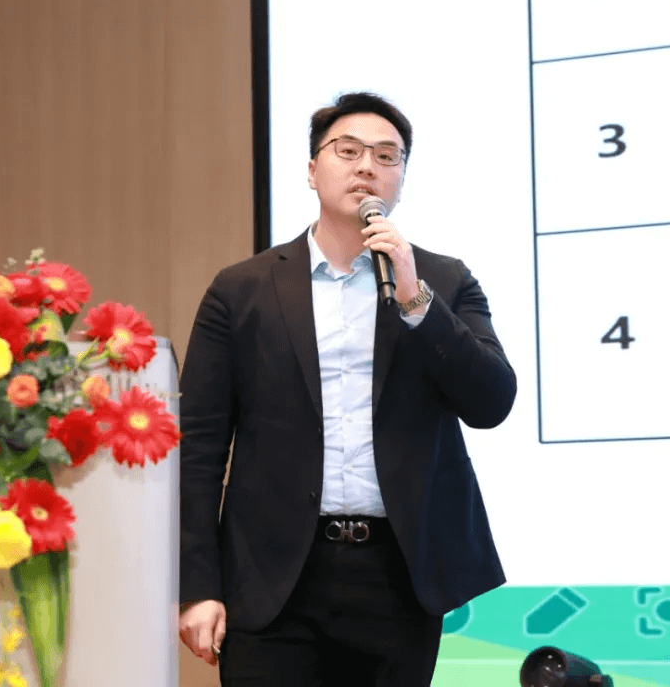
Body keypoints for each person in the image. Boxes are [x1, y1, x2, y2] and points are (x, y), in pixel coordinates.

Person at [177, 91, 516, 686]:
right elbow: (198, 448)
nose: (367, 167)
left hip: (399, 574)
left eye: (387, 156)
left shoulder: (441, 280)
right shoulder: (241, 290)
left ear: (401, 180)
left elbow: (491, 403)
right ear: (313, 170)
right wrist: (196, 586)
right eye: (349, 151)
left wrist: (415, 302)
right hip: (272, 575)